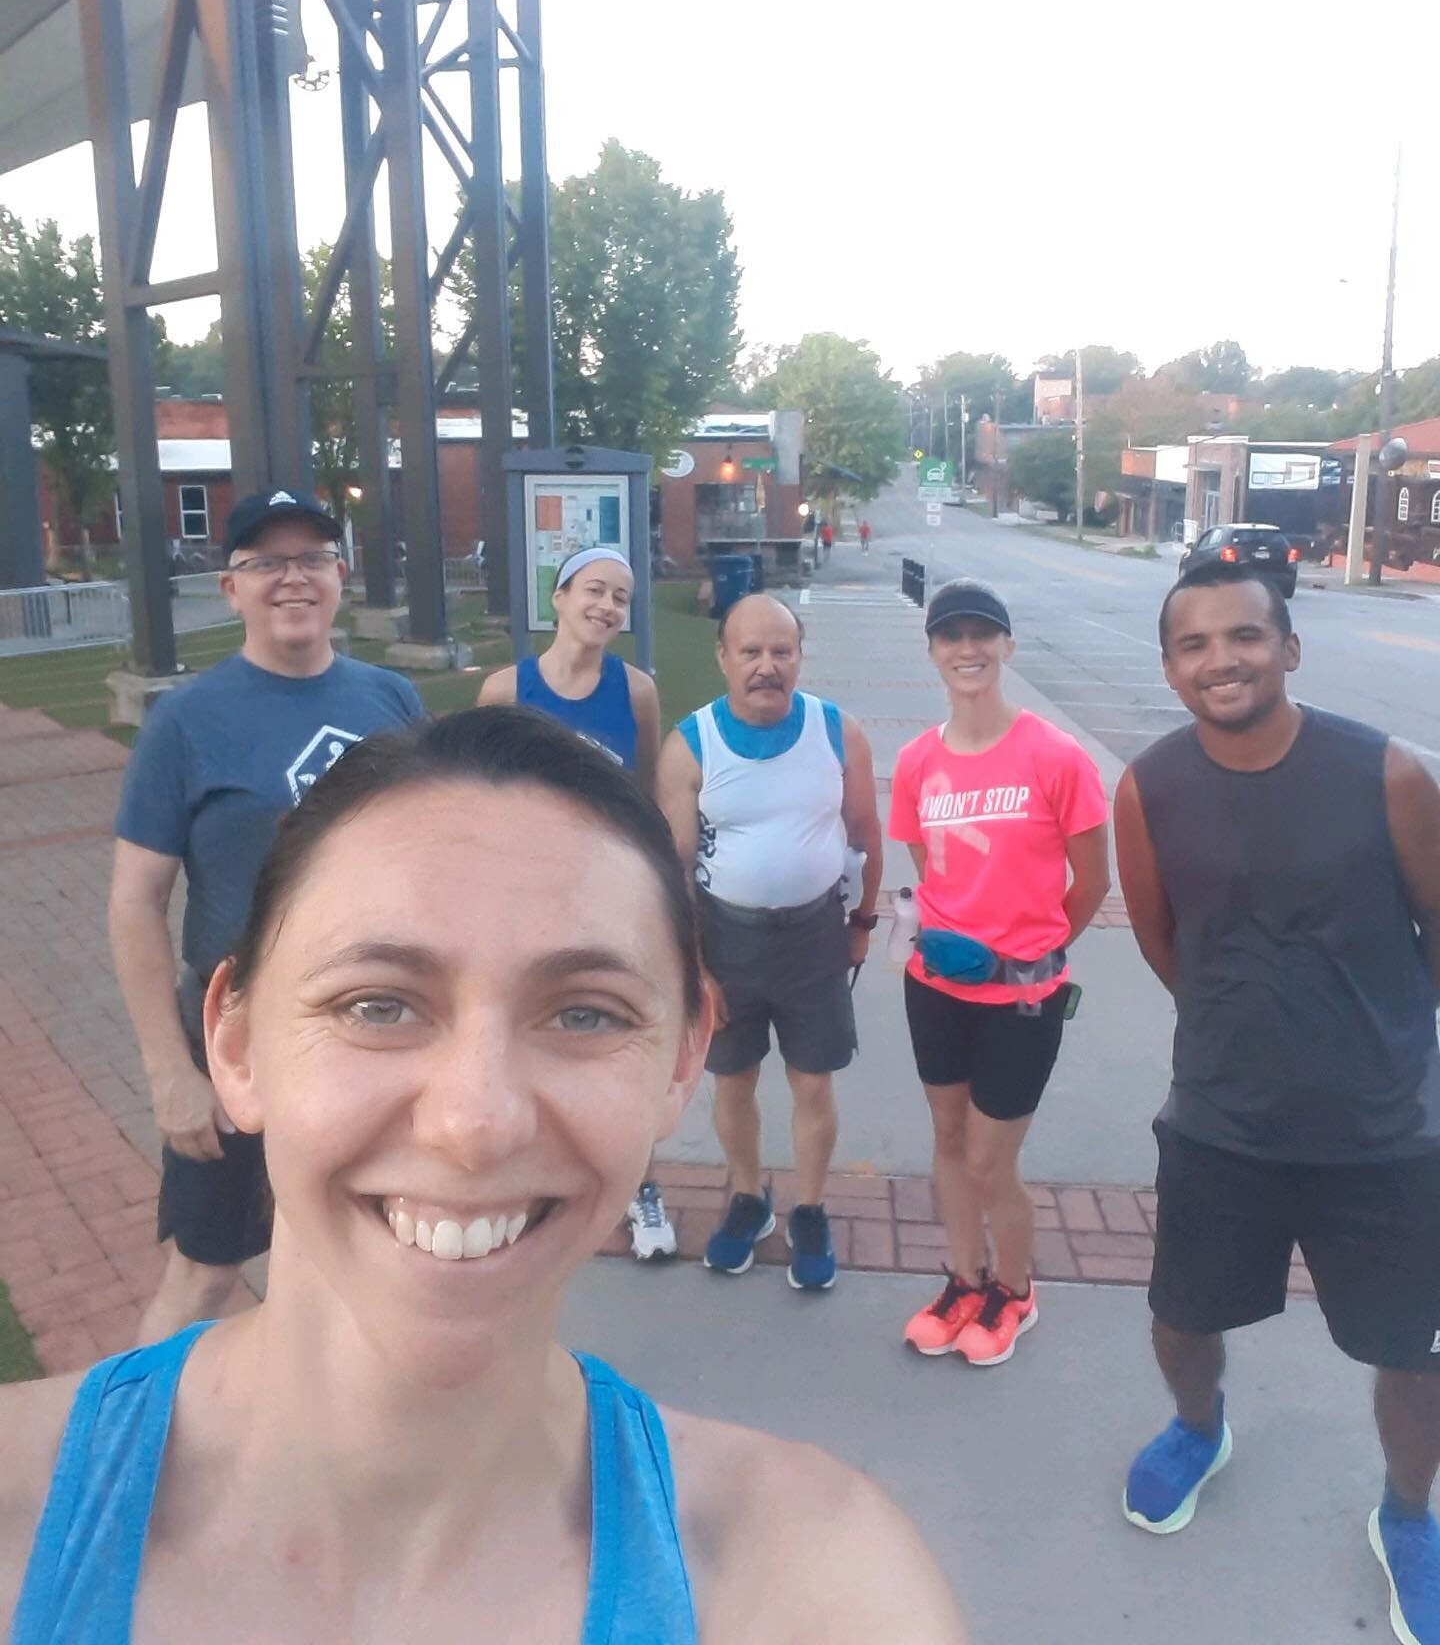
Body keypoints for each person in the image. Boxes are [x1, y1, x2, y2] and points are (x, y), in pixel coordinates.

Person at [1, 708, 965, 1644]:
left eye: (584, 1015)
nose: (476, 1124)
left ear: (682, 1061)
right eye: (379, 1005)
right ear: (237, 1043)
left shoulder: (805, 1580)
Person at [1115, 562, 1440, 1644]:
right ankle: (1198, 1429)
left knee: (1411, 1351)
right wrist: (1242, 1032)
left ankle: (1409, 1514)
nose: (1222, 660)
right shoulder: (1148, 787)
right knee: (1180, 1316)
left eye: (1245, 636)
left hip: (1383, 1135)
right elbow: (1168, 943)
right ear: (1169, 667)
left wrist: (1377, 1048)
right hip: (1221, 1124)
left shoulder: (1388, 774)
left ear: (1289, 648)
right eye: (1195, 644)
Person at [108, 488, 425, 1345]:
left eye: (313, 558)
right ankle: (129, 1450)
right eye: (268, 562)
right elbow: (135, 904)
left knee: (352, 1250)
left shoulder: (391, 700)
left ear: (340, 577)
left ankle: (320, 1442)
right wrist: (170, 1072)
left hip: (368, 1026)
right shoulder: (184, 721)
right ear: (231, 587)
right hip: (238, 1031)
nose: (294, 578)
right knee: (206, 1273)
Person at [889, 580, 1109, 1366]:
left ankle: (1014, 1291)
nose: (968, 649)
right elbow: (930, 868)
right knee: (948, 1140)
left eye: (984, 635)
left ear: (1008, 647)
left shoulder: (1055, 755)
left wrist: (1035, 951)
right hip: (937, 987)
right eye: (952, 637)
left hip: (1023, 997)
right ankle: (962, 1279)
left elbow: (1092, 881)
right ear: (934, 653)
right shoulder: (917, 761)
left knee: (990, 1159)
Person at [657, 594, 883, 1292]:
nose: (767, 666)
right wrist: (695, 967)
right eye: (750, 652)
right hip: (727, 939)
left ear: (799, 657)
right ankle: (750, 1198)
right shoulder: (691, 742)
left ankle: (809, 1209)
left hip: (814, 935)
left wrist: (863, 925)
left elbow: (864, 834)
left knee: (813, 1081)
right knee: (734, 1078)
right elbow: (676, 866)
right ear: (722, 657)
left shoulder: (836, 731)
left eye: (781, 651)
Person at [477, 545, 674, 1261]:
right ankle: (526, 1187)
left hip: (607, 902)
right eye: (594, 590)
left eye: (620, 598)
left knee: (617, 1048)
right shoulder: (506, 690)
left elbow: (646, 796)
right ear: (558, 599)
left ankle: (639, 1187)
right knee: (521, 1044)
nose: (607, 607)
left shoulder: (637, 691)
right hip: (522, 903)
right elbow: (478, 800)